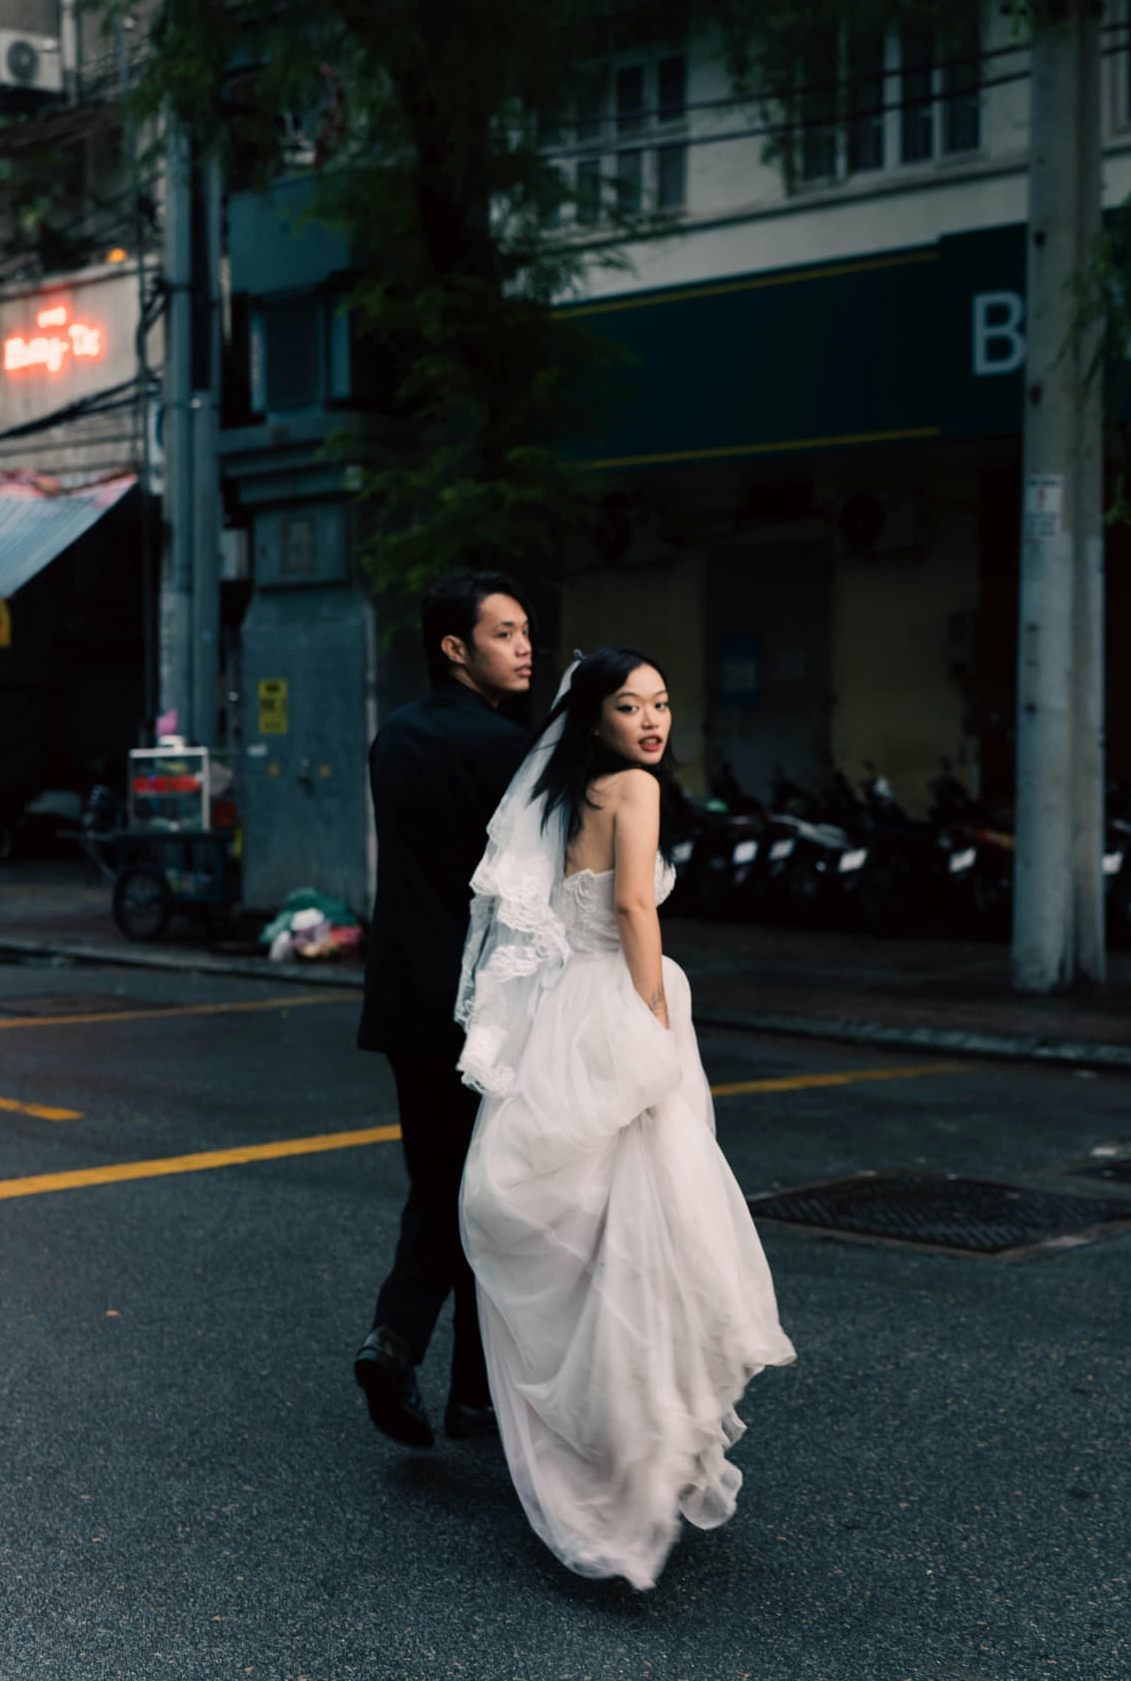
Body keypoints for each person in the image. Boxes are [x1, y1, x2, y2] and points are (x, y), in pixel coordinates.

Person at [455, 648, 795, 1591]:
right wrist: (652, 1018)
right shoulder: (634, 791)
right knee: (650, 1226)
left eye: (663, 703)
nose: (653, 721)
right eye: (631, 705)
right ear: (594, 716)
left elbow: (547, 921)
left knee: (595, 1227)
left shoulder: (563, 797)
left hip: (561, 1009)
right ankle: (636, 1434)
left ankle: (605, 1431)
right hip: (621, 1001)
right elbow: (635, 906)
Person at [354, 569, 533, 1449]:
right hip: (484, 996)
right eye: (504, 633)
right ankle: (438, 1370)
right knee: (484, 1194)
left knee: (440, 1178)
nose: (524, 647)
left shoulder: (393, 737)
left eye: (524, 631)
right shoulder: (508, 749)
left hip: (403, 996)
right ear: (455, 647)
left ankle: (435, 1367)